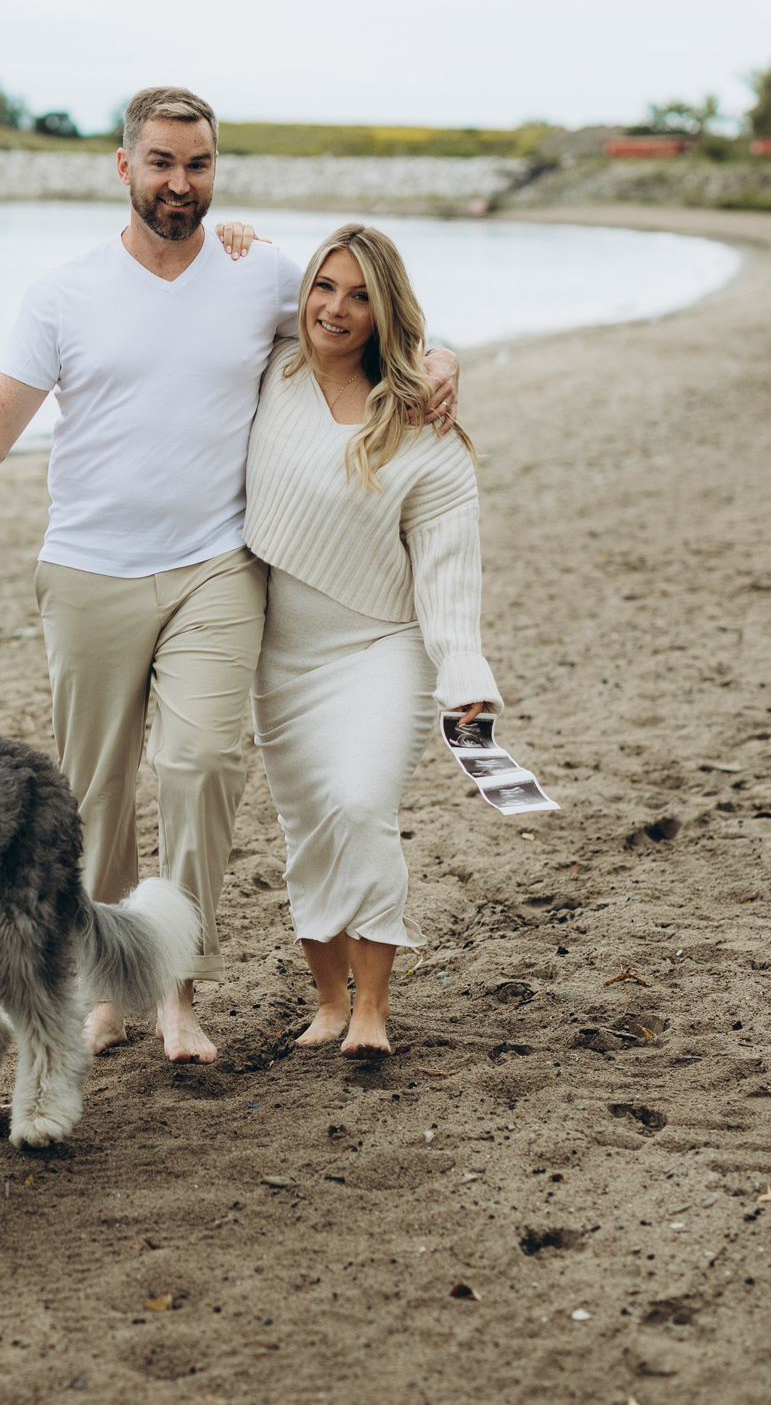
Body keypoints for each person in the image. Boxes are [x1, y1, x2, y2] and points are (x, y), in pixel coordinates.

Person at [0, 88, 457, 1063]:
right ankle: (109, 986)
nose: (182, 183)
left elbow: (359, 311)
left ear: (217, 168)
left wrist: (441, 355)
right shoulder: (62, 295)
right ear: (123, 167)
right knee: (93, 798)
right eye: (164, 162)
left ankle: (175, 993)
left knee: (203, 765)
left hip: (217, 567)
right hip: (88, 573)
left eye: (200, 164)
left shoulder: (258, 273)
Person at [241, 222, 500, 1058]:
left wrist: (463, 675)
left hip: (382, 645)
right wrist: (235, 235)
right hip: (282, 657)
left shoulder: (423, 425)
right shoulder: (269, 366)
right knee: (309, 825)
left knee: (361, 806)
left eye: (360, 296)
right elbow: (202, 288)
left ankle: (373, 1009)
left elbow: (448, 569)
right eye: (324, 286)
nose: (337, 308)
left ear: (386, 312)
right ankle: (326, 1000)